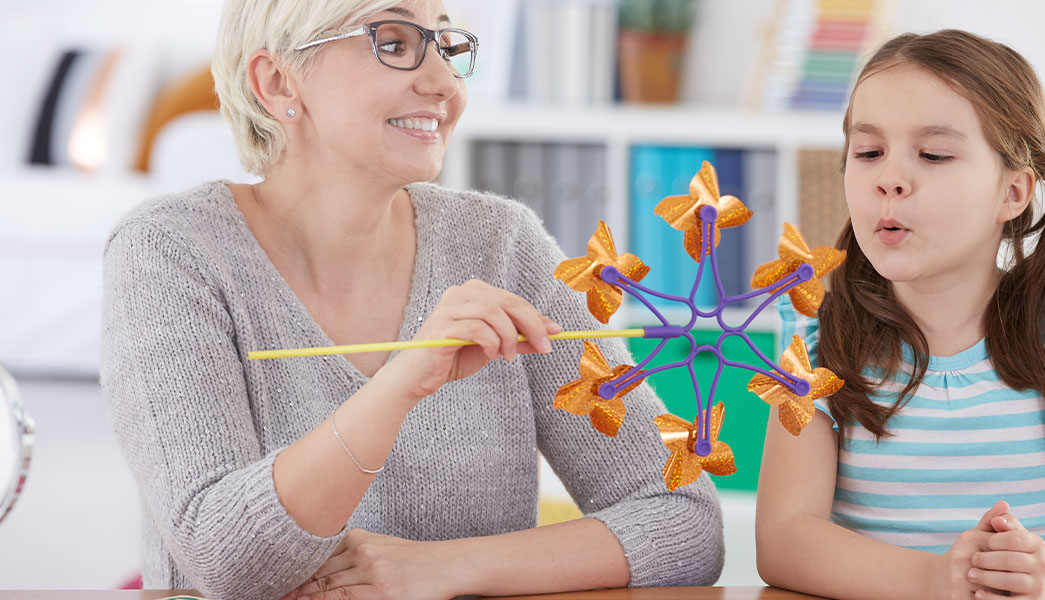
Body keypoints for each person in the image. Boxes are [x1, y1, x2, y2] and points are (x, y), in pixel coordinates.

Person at [100, 1, 723, 599]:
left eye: (447, 45)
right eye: (394, 44)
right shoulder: (169, 254)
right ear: (277, 82)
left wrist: (442, 569)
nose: (445, 83)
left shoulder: (500, 245)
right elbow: (224, 561)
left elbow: (684, 521)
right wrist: (400, 384)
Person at [755, 29, 1045, 600]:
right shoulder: (815, 348)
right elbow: (783, 541)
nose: (889, 178)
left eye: (933, 155)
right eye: (868, 151)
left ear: (1014, 192)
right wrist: (931, 579)